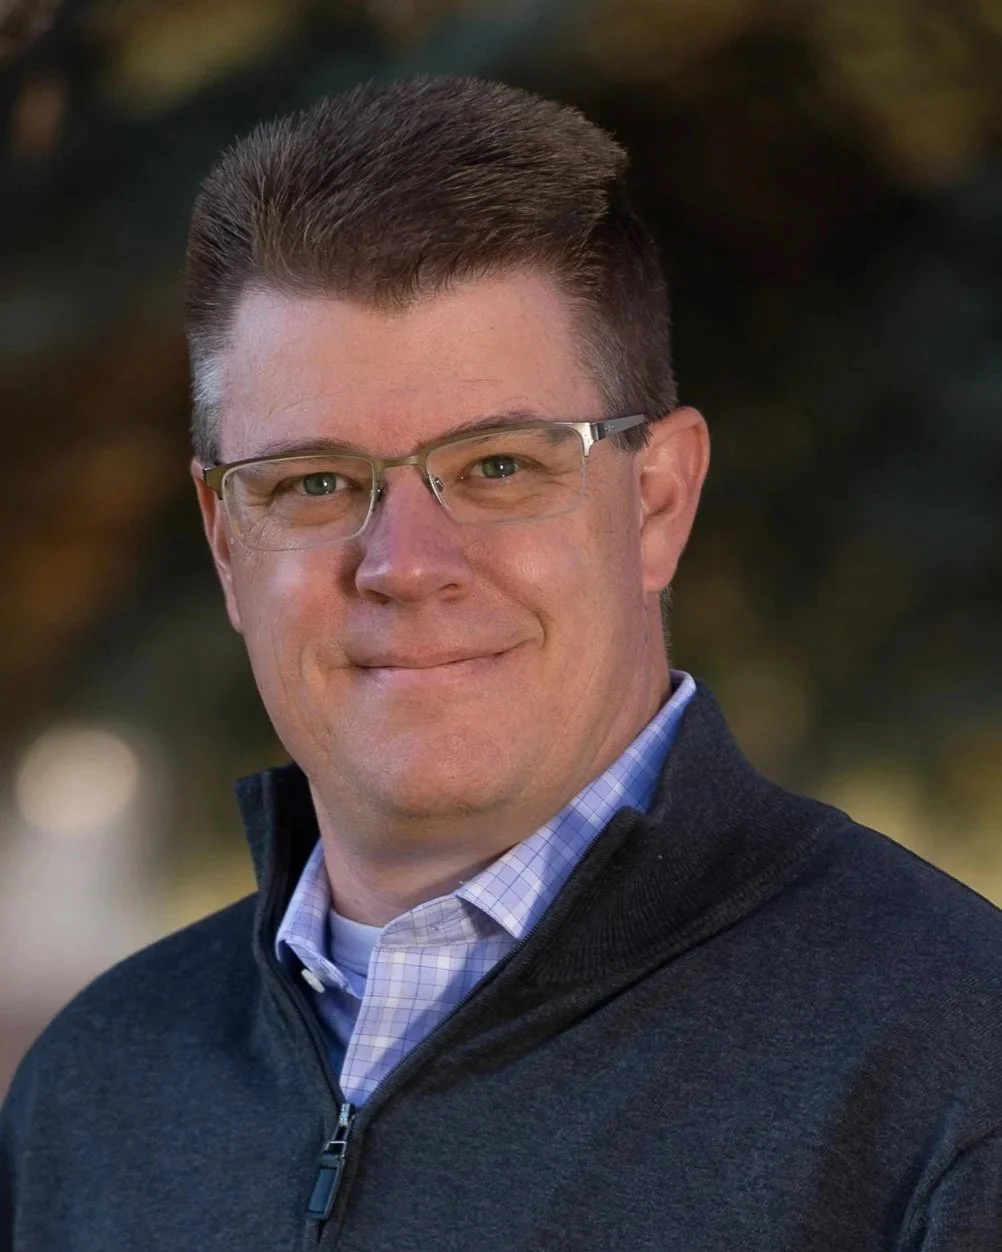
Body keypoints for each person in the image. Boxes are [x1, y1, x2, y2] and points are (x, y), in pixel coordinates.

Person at [2, 76, 1001, 1252]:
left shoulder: (949, 1068)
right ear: (228, 542)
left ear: (659, 500)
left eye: (500, 467)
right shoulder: (97, 1090)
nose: (406, 564)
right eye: (313, 482)